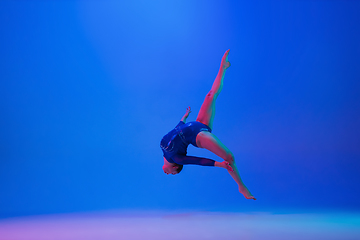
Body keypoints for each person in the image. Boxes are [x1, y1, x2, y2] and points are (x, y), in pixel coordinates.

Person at [160, 50, 256, 200]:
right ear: (175, 167)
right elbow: (198, 161)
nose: (168, 174)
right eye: (173, 174)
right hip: (198, 136)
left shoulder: (162, 147)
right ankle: (241, 187)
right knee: (229, 156)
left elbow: (176, 130)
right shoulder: (177, 159)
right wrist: (219, 164)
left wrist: (183, 118)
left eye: (170, 174)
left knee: (211, 95)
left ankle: (223, 67)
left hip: (198, 123)